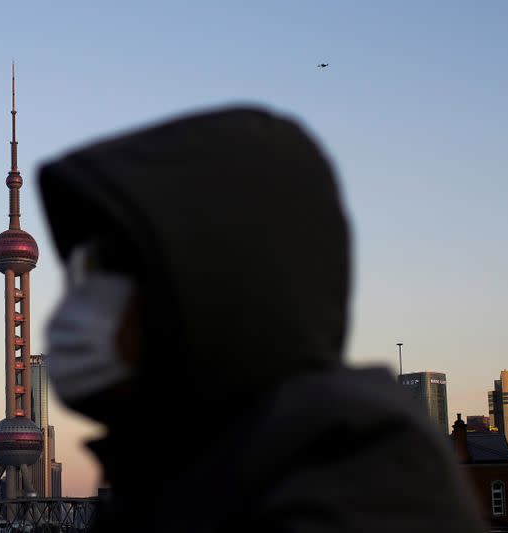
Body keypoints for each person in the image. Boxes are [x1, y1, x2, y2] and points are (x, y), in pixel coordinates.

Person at [37, 107, 484, 532]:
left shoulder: (361, 480)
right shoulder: (181, 469)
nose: (77, 304)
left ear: (203, 280)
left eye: (107, 271)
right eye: (77, 275)